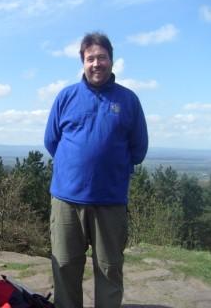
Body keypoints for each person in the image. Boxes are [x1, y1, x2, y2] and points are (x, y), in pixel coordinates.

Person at [44, 32, 148, 308]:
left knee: (109, 268)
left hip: (110, 201)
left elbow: (138, 150)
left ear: (112, 61)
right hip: (66, 200)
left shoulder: (128, 100)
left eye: (102, 57)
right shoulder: (66, 96)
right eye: (90, 58)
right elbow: (51, 141)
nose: (96, 63)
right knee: (65, 267)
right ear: (83, 62)